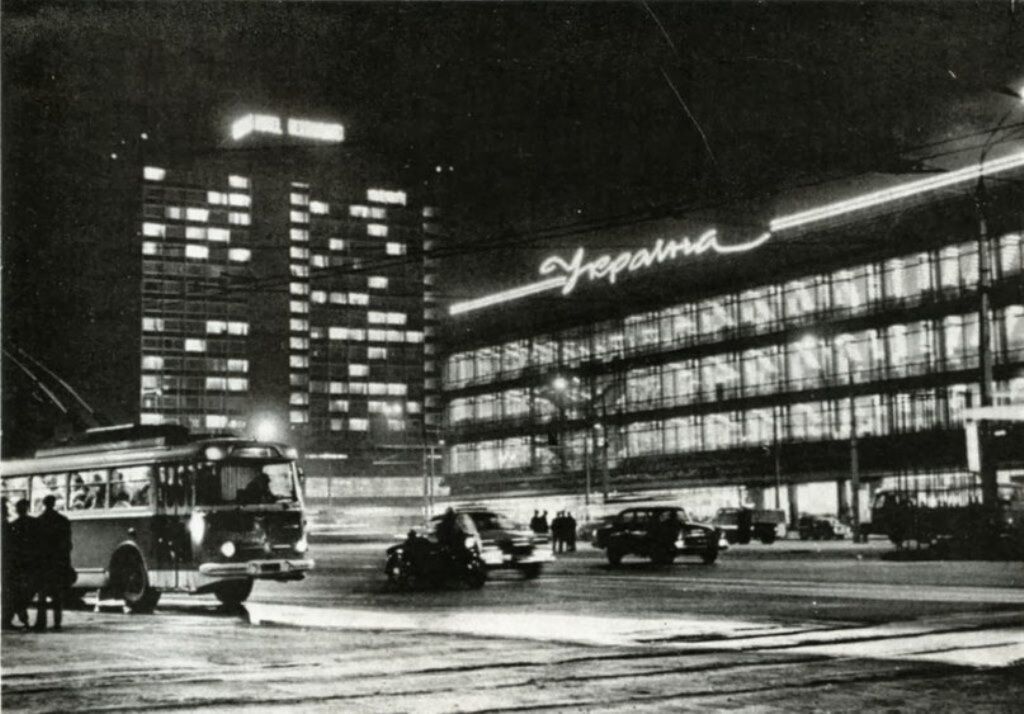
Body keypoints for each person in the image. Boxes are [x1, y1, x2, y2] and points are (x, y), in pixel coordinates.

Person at [34, 495, 73, 631]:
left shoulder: (39, 521)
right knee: (57, 595)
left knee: (42, 594)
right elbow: (68, 545)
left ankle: (41, 622)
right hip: (58, 562)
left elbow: (35, 545)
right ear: (54, 503)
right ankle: (57, 623)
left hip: (43, 563)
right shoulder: (63, 521)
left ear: (44, 504)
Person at [7, 499, 37, 630]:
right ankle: (23, 617)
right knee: (28, 592)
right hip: (31, 563)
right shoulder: (35, 523)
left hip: (18, 564)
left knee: (18, 593)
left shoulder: (13, 525)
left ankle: (21, 617)